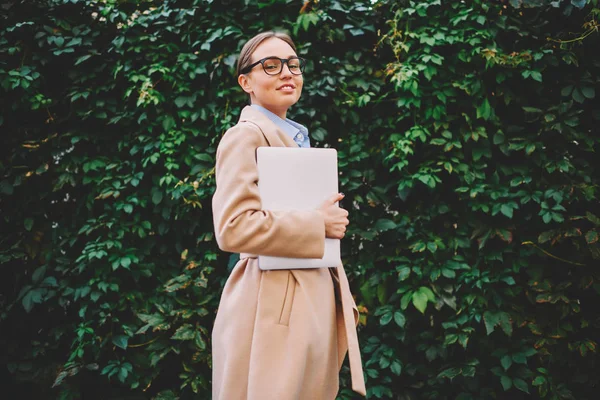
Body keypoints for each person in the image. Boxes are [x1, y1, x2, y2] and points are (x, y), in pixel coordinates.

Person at [211, 31, 366, 400]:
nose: (287, 73)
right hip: (270, 305)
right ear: (245, 81)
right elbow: (233, 228)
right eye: (271, 65)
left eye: (293, 65)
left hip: (303, 301)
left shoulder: (295, 138)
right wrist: (318, 223)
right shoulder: (244, 137)